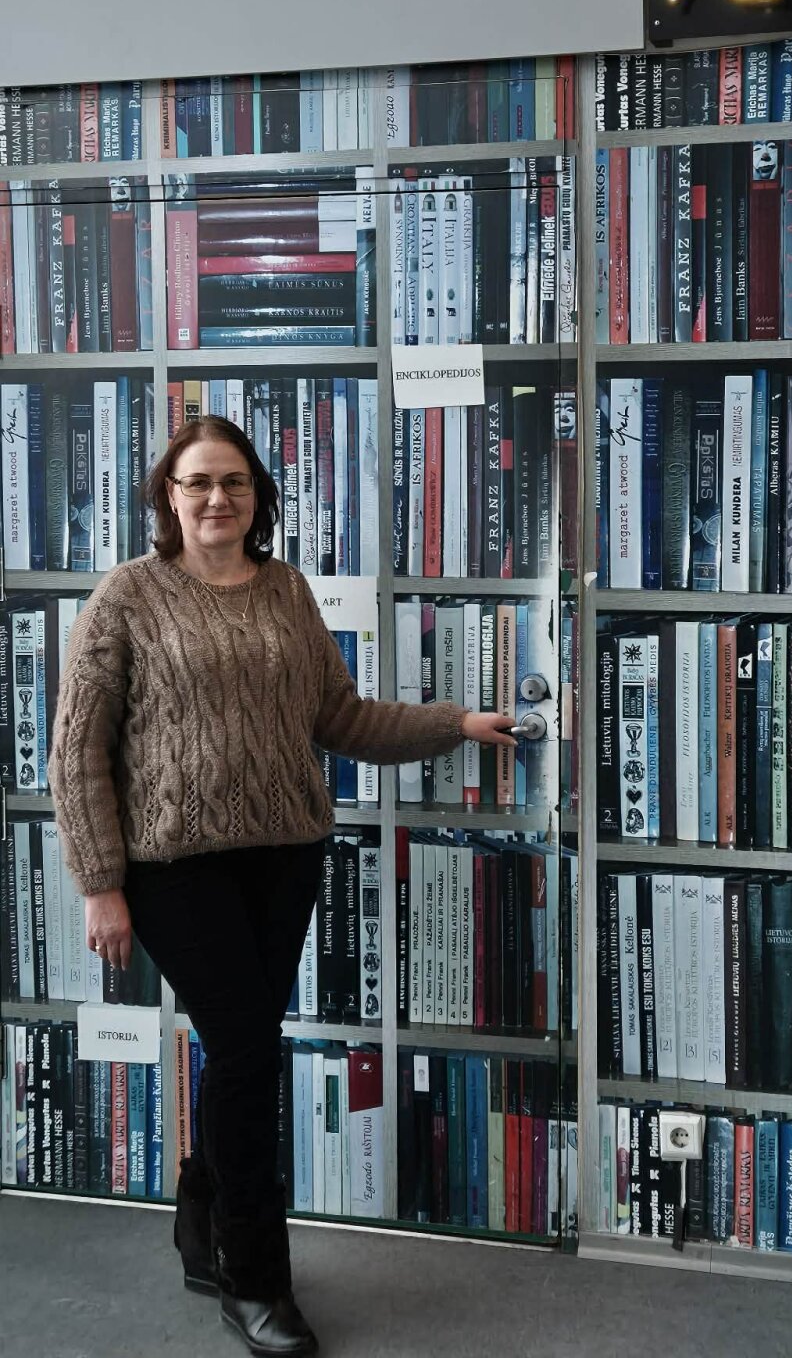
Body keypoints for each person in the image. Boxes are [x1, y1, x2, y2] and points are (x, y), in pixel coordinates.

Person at [48, 416, 516, 1358]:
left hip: (284, 858)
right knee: (249, 1055)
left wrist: (455, 723)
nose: (216, 498)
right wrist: (101, 885)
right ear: (168, 495)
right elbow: (75, 752)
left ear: (258, 496)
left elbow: (339, 717)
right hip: (173, 867)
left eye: (234, 482)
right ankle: (255, 1280)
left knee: (242, 1055)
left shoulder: (288, 590)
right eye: (197, 482)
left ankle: (200, 1215)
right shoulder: (127, 595)